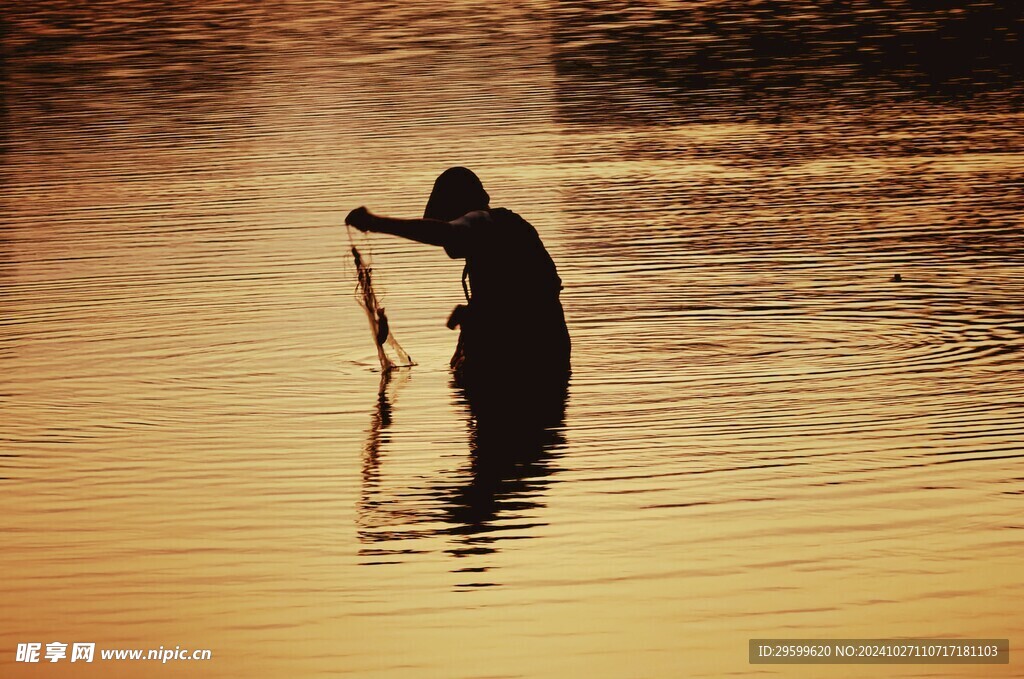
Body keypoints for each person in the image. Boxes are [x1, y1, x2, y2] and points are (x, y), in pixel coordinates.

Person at [346, 167, 570, 396]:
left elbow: (525, 310)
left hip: (530, 369)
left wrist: (376, 223)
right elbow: (515, 299)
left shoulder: (486, 222)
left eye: (446, 222)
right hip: (538, 365)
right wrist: (473, 313)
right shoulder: (496, 240)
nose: (444, 245)